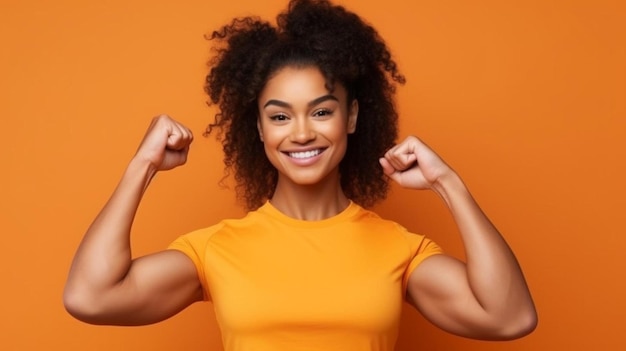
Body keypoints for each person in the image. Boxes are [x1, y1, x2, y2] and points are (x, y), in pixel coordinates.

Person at [63, 0, 537, 350]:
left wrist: (447, 184)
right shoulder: (215, 250)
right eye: (281, 116)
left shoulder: (399, 249)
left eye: (322, 111)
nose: (303, 133)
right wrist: (141, 167)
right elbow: (90, 296)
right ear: (259, 129)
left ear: (351, 117)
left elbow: (509, 316)